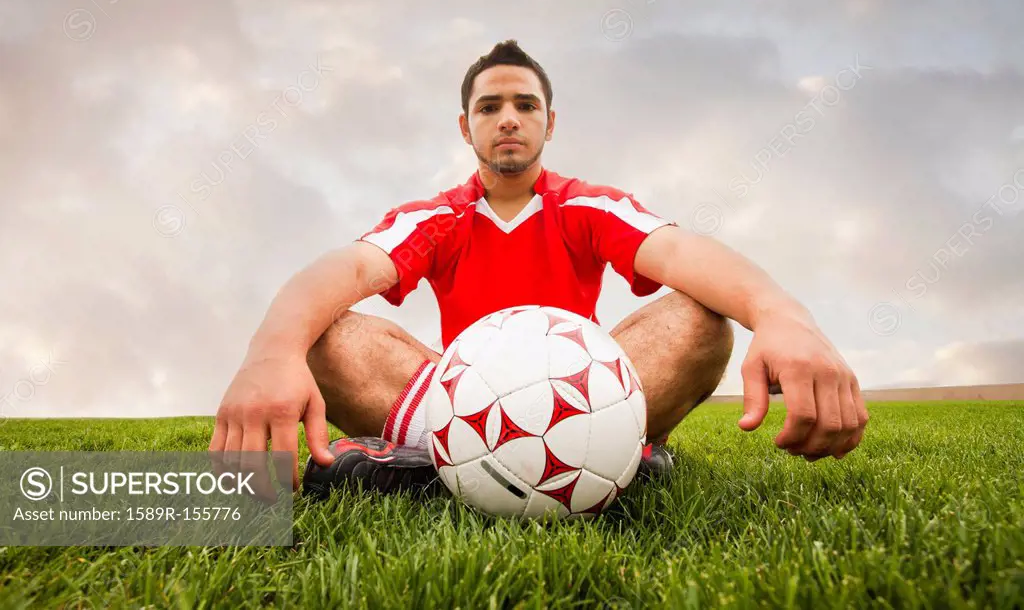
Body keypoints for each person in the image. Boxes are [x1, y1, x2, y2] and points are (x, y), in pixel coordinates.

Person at [210, 40, 869, 499]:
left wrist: (785, 318)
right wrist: (270, 354)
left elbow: (681, 254)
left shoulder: (583, 205)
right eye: (489, 107)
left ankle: (432, 476)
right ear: (464, 128)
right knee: (325, 330)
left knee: (701, 317)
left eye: (525, 105)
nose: (507, 120)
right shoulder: (441, 216)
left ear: (549, 123)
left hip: (584, 404)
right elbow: (349, 267)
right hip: (460, 406)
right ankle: (612, 473)